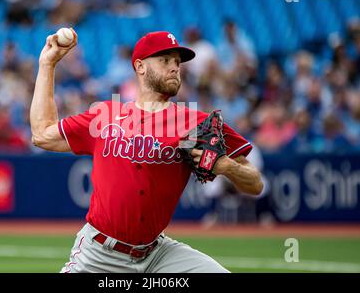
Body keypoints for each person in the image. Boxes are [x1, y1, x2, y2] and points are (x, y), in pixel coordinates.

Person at [30, 30, 263, 273]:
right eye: (165, 60)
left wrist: (228, 167)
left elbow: (255, 184)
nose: (174, 67)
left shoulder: (195, 124)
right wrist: (47, 64)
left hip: (158, 255)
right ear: (140, 66)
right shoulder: (106, 117)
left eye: (177, 62)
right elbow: (41, 134)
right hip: (99, 256)